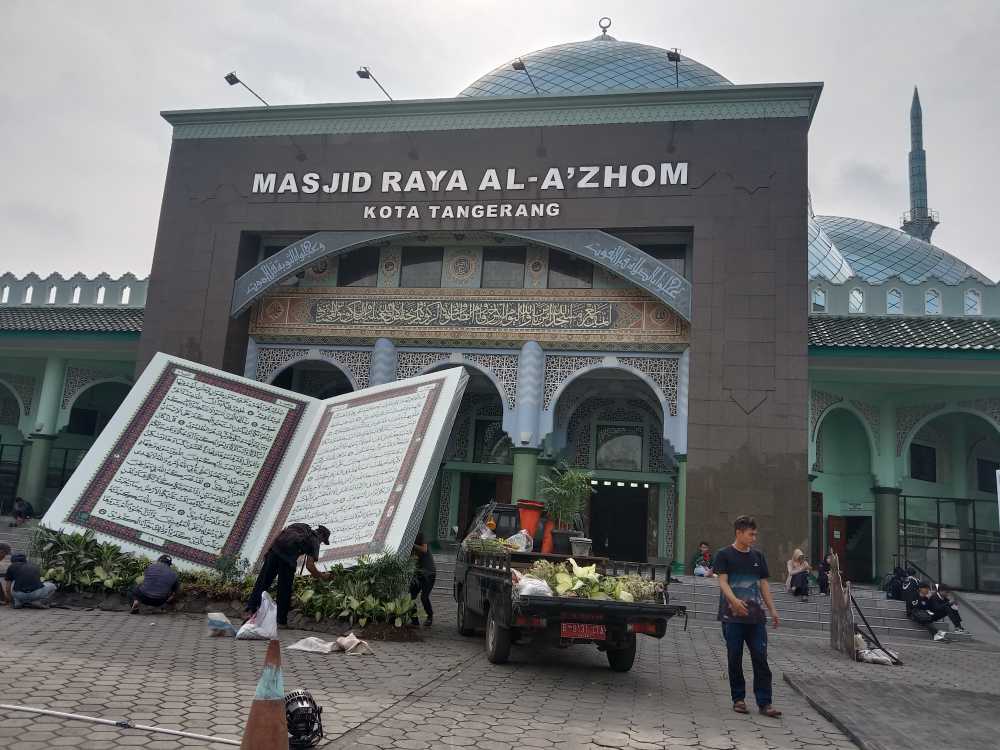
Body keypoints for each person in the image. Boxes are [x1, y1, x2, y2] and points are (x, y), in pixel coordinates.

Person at [714, 516, 782, 718]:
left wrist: (773, 609)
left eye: (755, 534)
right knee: (734, 657)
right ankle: (739, 699)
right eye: (751, 534)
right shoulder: (724, 555)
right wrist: (734, 601)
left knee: (760, 658)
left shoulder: (758, 557)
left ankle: (765, 703)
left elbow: (763, 585)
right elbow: (723, 582)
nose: (754, 538)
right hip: (732, 617)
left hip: (756, 618)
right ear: (739, 533)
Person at [246, 523, 331, 628]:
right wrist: (322, 576)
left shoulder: (300, 526)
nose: (321, 543)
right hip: (287, 560)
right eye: (323, 541)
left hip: (274, 551)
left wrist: (268, 551)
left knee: (262, 582)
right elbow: (310, 566)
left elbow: (280, 533)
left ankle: (250, 610)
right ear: (322, 536)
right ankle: (281, 622)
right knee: (284, 590)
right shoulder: (314, 541)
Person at [409, 532, 436, 627]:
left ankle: (430, 616)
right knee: (410, 597)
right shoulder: (408, 539)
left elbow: (424, 549)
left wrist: (412, 545)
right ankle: (414, 621)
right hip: (418, 573)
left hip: (429, 573)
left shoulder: (421, 535)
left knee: (424, 597)